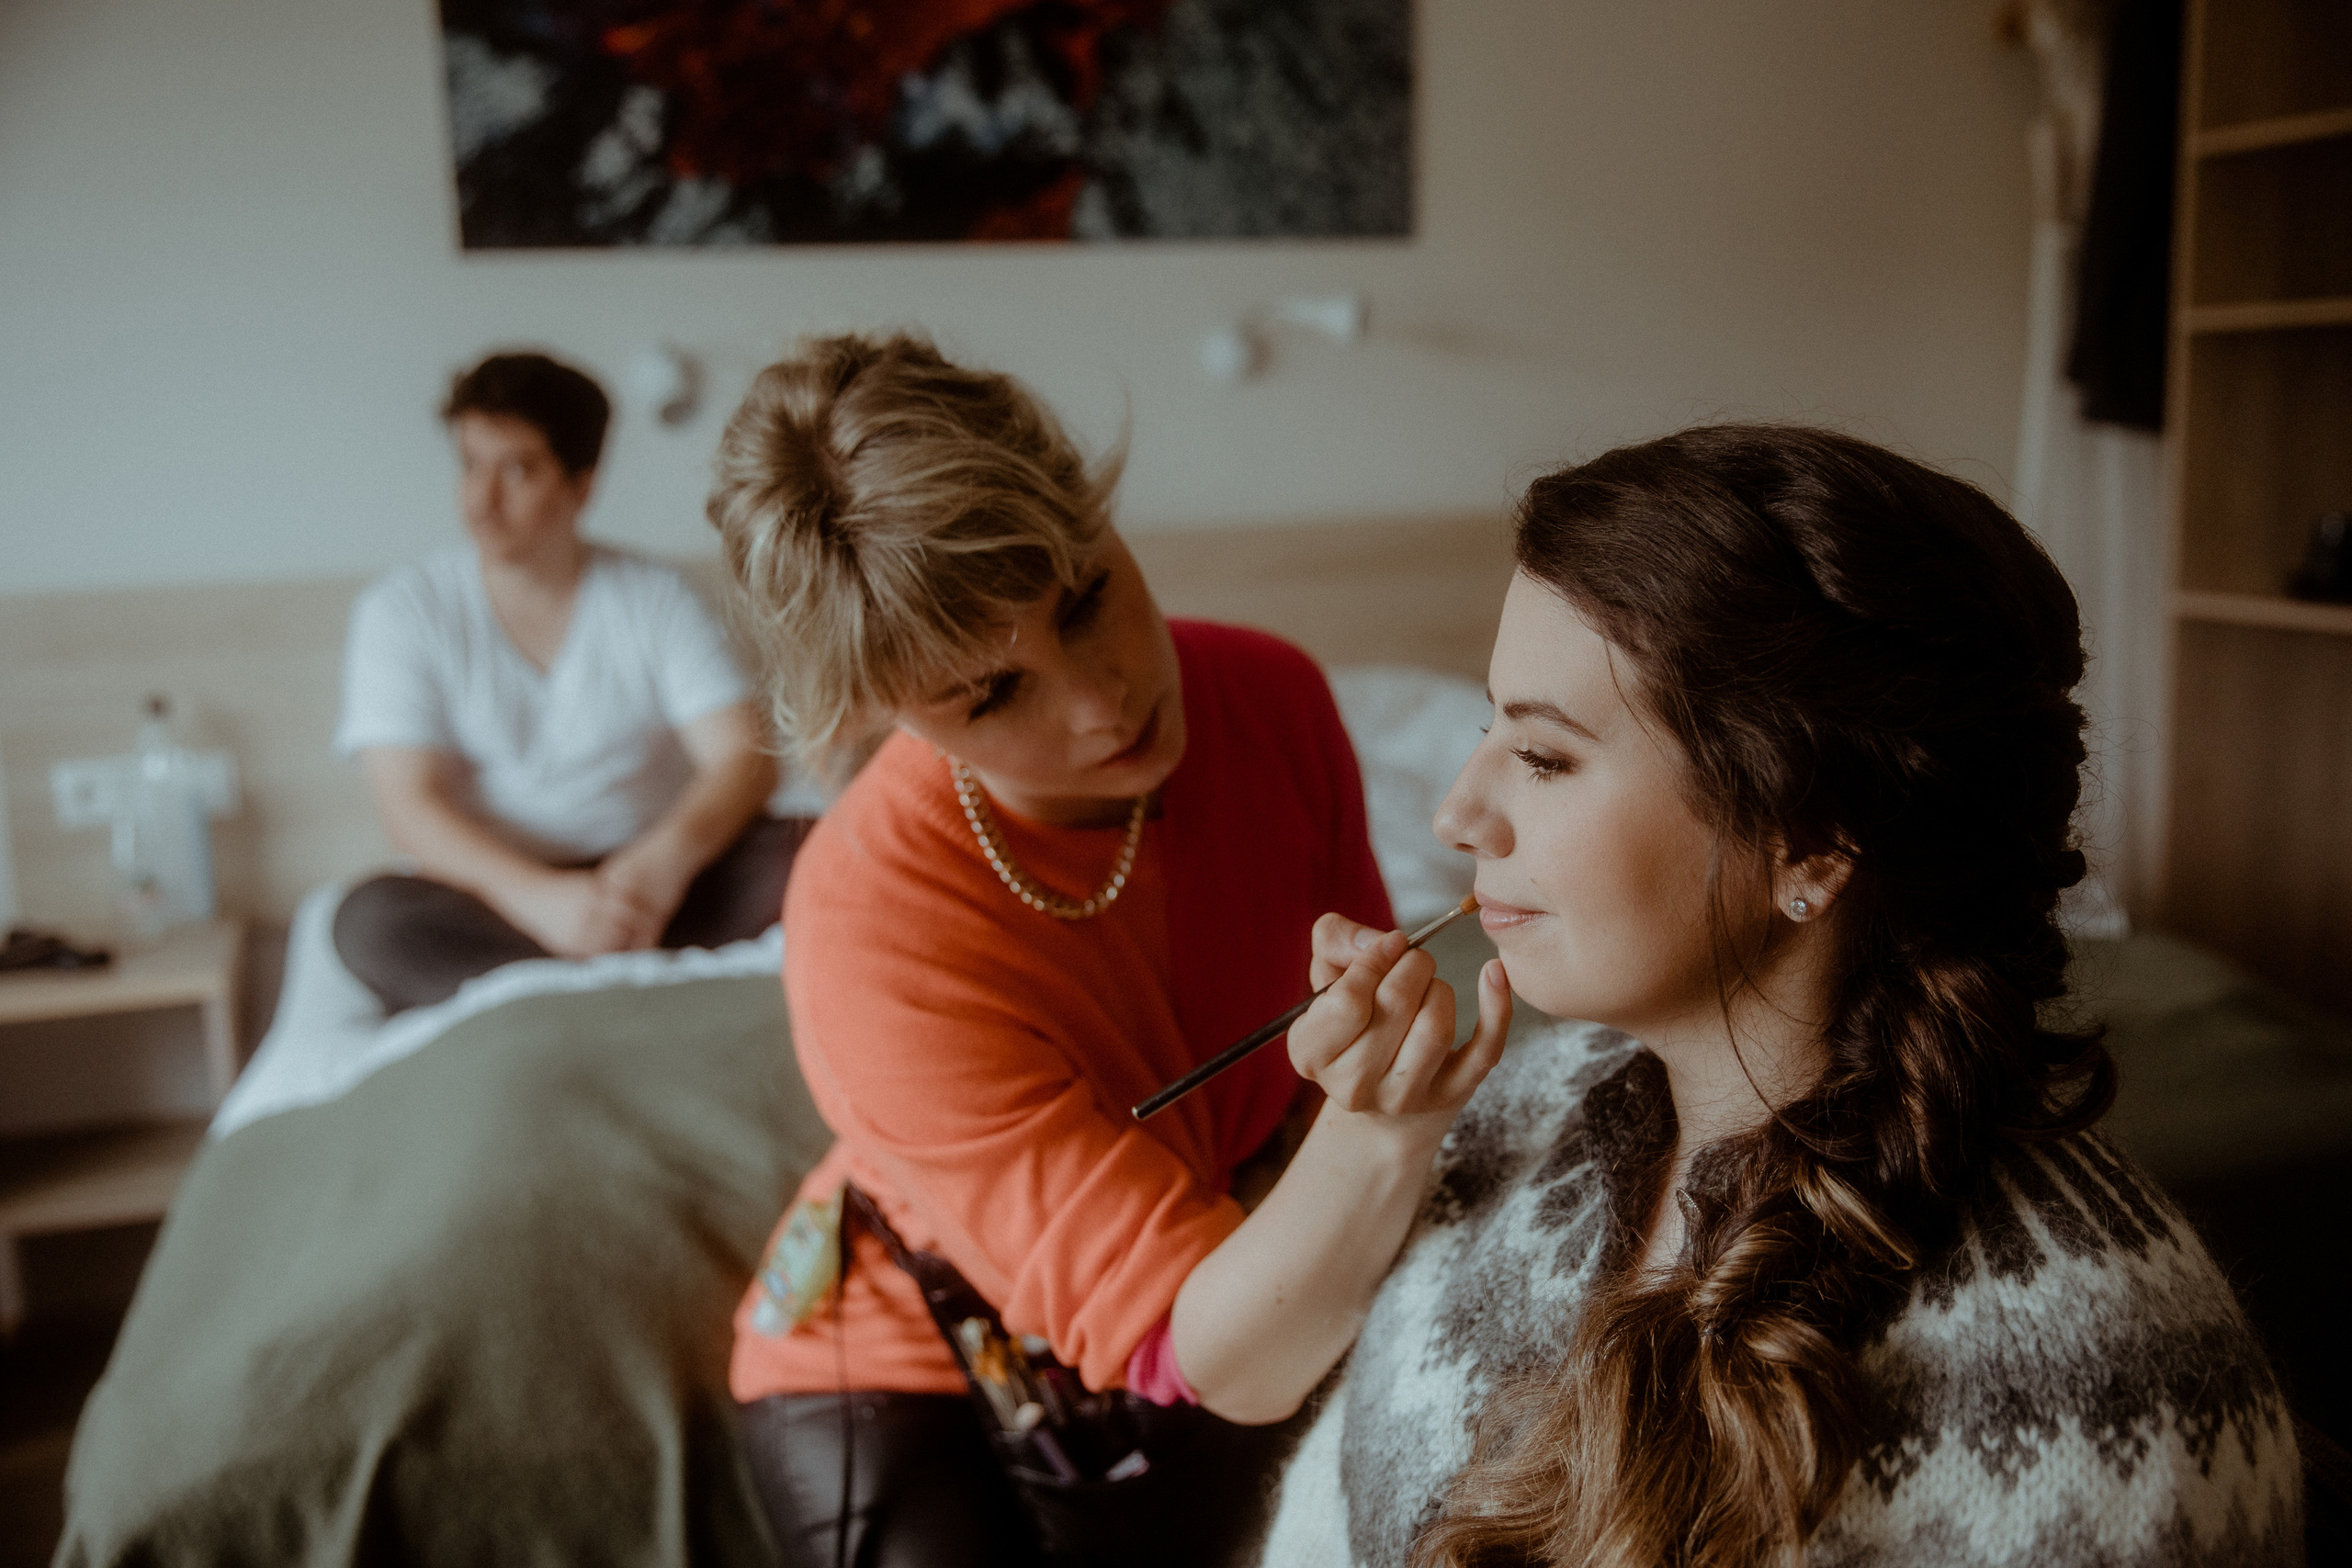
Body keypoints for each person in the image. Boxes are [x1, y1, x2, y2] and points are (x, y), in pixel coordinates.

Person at [1258, 425, 2305, 1567]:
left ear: (1806, 844)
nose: (1455, 815)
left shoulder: (2096, 1396)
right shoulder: (1514, 1112)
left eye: (1546, 758)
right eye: (1485, 731)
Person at [706, 333, 1510, 1568]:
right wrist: (1382, 1129)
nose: (1102, 701)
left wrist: (1362, 1101)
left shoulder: (1272, 695)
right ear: (882, 710)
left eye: (1084, 599)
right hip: (902, 1363)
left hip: (1222, 1272)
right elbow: (1226, 1359)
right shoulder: (865, 926)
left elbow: (1318, 1080)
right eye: (991, 695)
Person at [333, 351, 796, 1015]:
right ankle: (606, 988)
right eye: (470, 465)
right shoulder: (402, 611)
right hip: (498, 898)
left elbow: (745, 758)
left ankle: (557, 988)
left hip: (647, 886)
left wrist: (659, 867)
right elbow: (409, 806)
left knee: (807, 848)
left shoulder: (656, 596)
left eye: (517, 470)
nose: (482, 501)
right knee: (368, 921)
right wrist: (543, 903)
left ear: (582, 485)